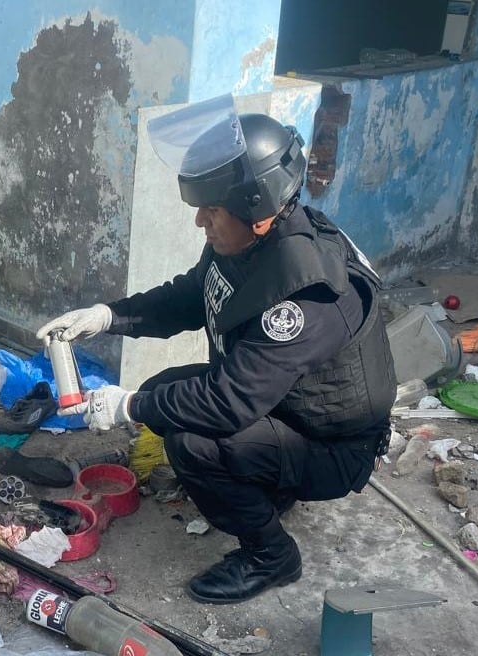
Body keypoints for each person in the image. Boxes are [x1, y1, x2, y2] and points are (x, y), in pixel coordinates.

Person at [35, 94, 396, 605]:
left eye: (211, 210)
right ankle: (267, 487)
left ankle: (271, 555)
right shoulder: (247, 242)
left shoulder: (309, 289)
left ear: (258, 209)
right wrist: (107, 316)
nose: (200, 221)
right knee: (166, 391)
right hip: (286, 406)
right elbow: (193, 295)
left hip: (336, 445)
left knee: (193, 440)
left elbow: (231, 402)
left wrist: (126, 404)